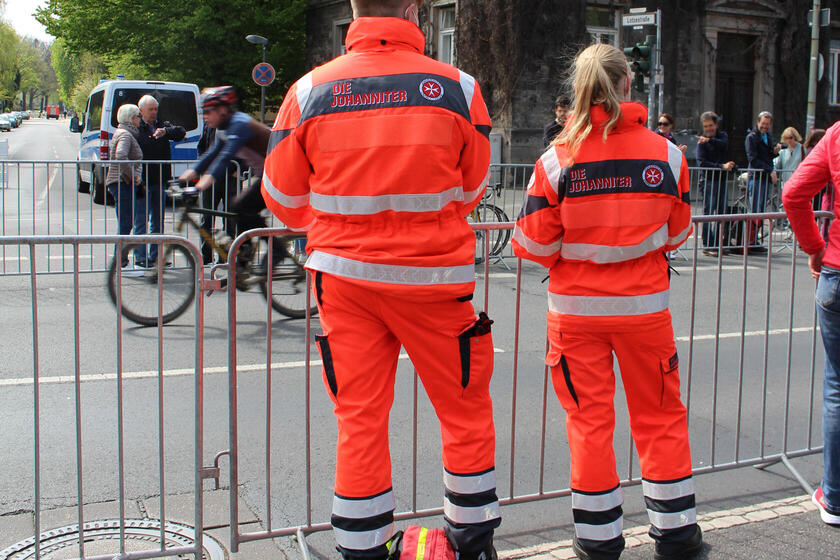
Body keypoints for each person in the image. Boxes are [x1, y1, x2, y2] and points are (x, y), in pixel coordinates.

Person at [262, 1, 500, 559]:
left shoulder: (309, 91)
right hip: (435, 277)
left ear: (352, 8)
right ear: (414, 8)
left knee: (360, 417)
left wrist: (339, 222)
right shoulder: (459, 89)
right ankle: (471, 543)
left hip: (344, 279)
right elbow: (472, 188)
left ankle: (364, 549)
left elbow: (282, 197)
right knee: (463, 410)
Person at [512, 43, 701, 560]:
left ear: (579, 91)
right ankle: (678, 535)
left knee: (590, 425)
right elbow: (678, 231)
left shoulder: (557, 159)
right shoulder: (667, 154)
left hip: (575, 315)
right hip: (644, 310)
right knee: (661, 417)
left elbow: (530, 243)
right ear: (627, 88)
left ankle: (598, 541)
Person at [781, 121, 840, 527]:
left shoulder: (837, 135)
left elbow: (793, 193)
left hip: (838, 270)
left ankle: (834, 496)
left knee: (838, 386)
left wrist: (814, 248)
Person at [178, 86, 271, 268]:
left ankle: (275, 251)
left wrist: (197, 187)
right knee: (239, 209)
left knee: (241, 206)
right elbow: (209, 157)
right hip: (267, 174)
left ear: (222, 110)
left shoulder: (240, 123)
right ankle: (244, 259)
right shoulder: (224, 127)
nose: (204, 116)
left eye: (207, 112)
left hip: (279, 172)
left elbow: (224, 158)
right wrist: (181, 181)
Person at [136, 94, 186, 266]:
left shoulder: (162, 125)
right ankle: (141, 258)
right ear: (141, 110)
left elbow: (181, 132)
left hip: (160, 179)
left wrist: (167, 132)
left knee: (157, 220)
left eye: (156, 109)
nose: (154, 113)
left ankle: (155, 256)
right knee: (141, 220)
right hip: (143, 180)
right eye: (150, 109)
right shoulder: (137, 127)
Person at [104, 104, 145, 268]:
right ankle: (120, 260)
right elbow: (120, 155)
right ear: (131, 118)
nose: (140, 120)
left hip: (120, 182)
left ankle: (121, 259)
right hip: (122, 183)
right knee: (125, 223)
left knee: (125, 222)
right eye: (138, 116)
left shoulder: (122, 132)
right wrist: (133, 175)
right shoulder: (126, 135)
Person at [196, 124, 239, 264]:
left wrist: (240, 167)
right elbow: (202, 147)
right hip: (210, 179)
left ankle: (225, 257)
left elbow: (245, 148)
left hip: (229, 179)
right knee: (206, 219)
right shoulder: (209, 125)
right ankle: (207, 258)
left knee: (229, 220)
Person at [696, 111, 735, 255]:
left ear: (716, 125)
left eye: (711, 125)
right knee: (708, 213)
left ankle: (718, 243)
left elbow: (724, 145)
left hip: (722, 180)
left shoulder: (722, 136)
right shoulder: (701, 142)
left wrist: (710, 141)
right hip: (708, 181)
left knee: (721, 213)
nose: (708, 129)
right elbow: (702, 163)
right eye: (705, 126)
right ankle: (708, 244)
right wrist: (721, 166)